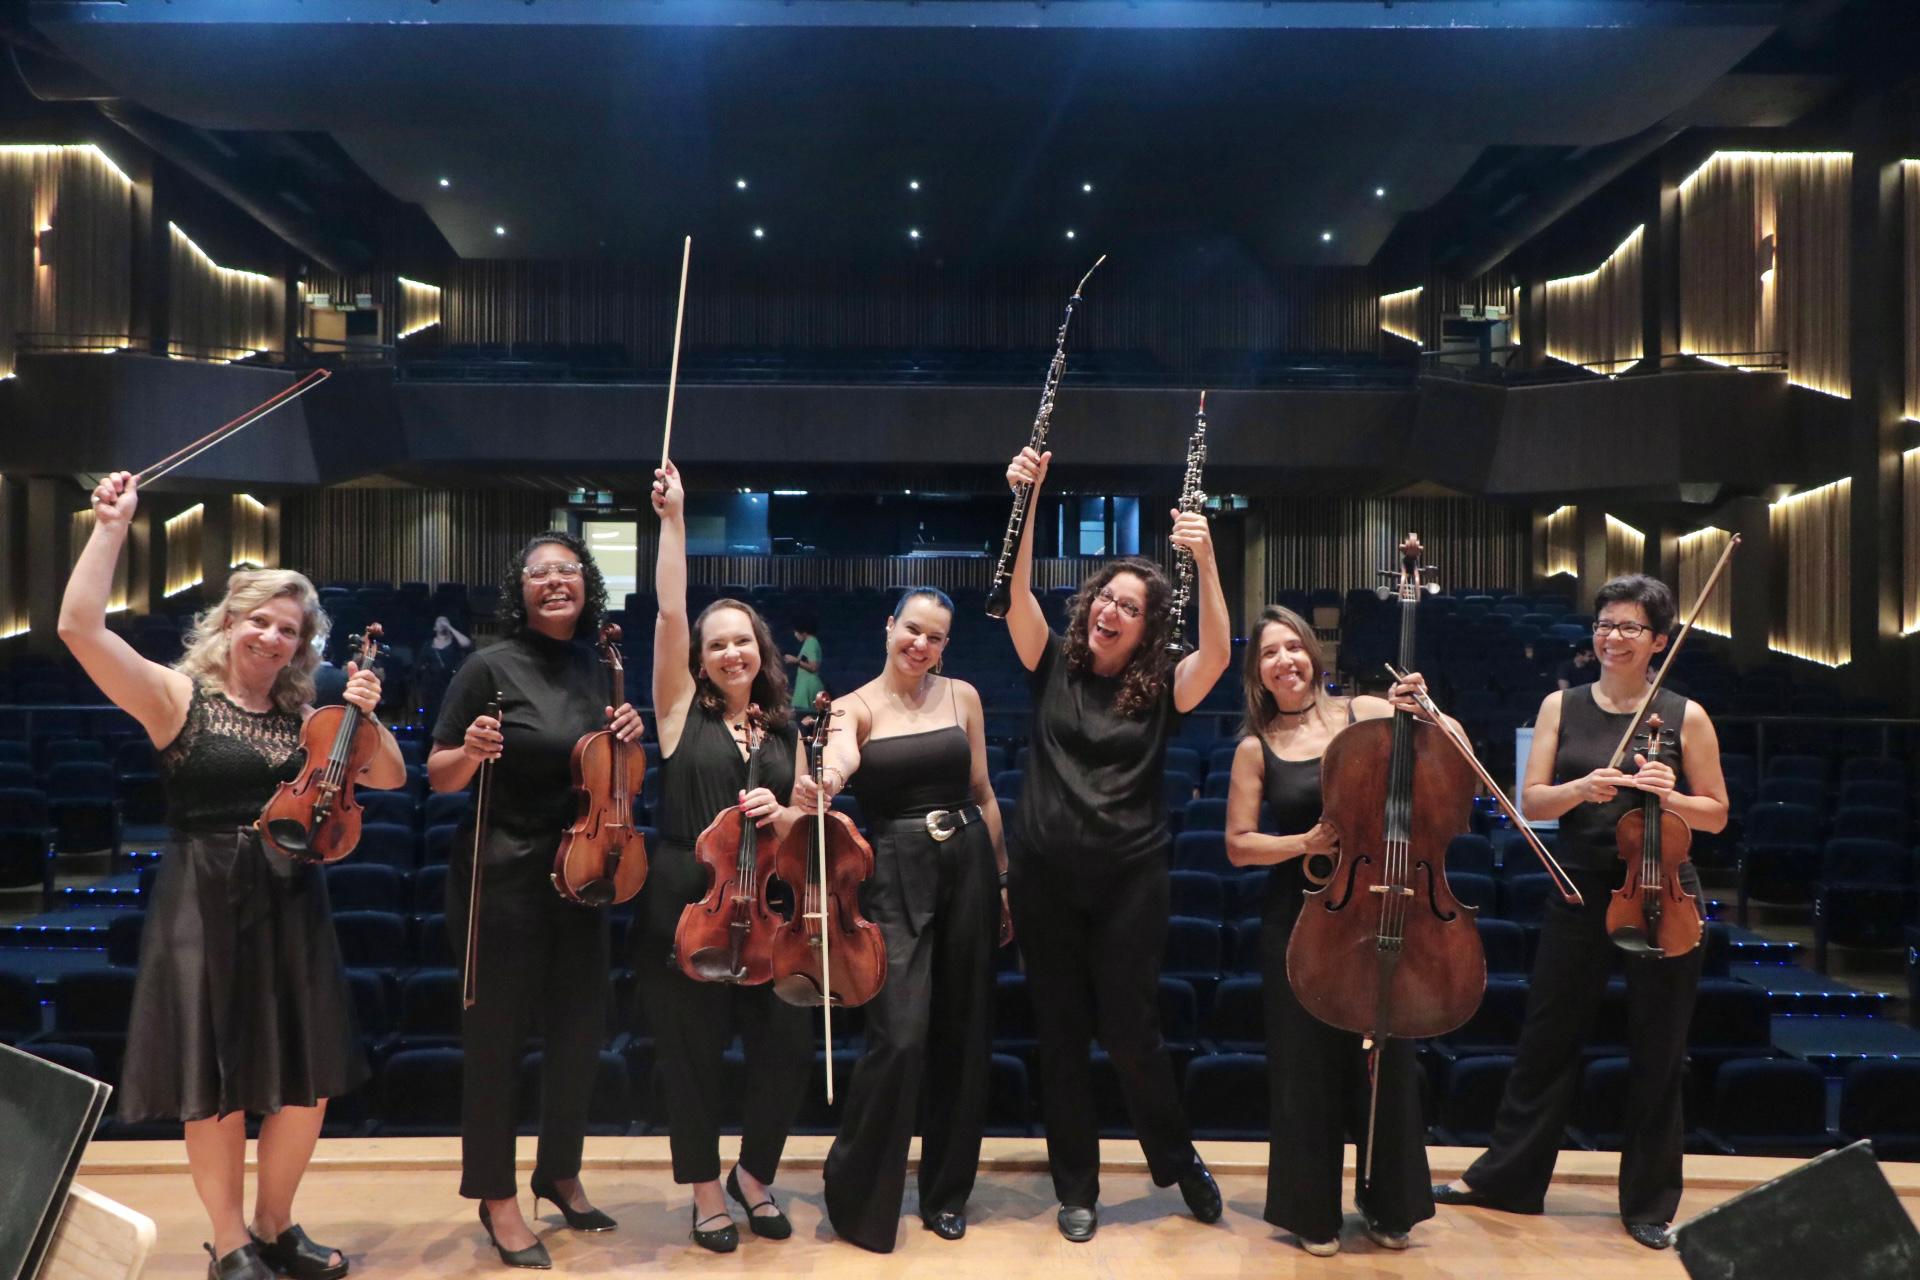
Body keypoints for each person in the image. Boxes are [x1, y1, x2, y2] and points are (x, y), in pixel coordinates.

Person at [59, 472, 405, 1280]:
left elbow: (384, 778)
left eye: (290, 630)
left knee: (308, 1080)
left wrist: (366, 711)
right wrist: (111, 528)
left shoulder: (307, 719)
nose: (273, 638)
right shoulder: (174, 697)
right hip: (202, 893)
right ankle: (229, 1241)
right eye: (259, 620)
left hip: (292, 893)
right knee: (211, 1081)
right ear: (226, 625)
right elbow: (78, 628)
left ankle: (276, 1225)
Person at [1434, 575, 1729, 1251]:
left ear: (1659, 641)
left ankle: (1650, 1204)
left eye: (1629, 627)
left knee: (1660, 1050)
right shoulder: (1560, 706)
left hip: (1663, 892)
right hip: (1578, 890)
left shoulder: (1688, 716)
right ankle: (1509, 1179)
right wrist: (1583, 787)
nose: (1611, 636)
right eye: (1604, 623)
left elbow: (1716, 814)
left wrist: (1671, 794)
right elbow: (1531, 802)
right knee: (1546, 1041)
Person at [997, 445, 1232, 1242]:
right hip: (1043, 877)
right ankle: (1077, 1188)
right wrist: (1027, 499)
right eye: (1107, 596)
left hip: (1130, 878)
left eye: (1131, 606)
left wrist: (1205, 556)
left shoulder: (1164, 684)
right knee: (1060, 1034)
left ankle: (1175, 1159)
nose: (1112, 609)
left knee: (1132, 1031)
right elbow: (1018, 589)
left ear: (1147, 626)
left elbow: (1222, 655)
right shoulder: (1048, 663)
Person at [428, 531, 643, 1268]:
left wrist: (631, 734)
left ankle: (558, 1173)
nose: (555, 582)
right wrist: (475, 751)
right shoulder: (487, 667)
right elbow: (440, 773)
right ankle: (496, 1198)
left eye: (569, 570)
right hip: (503, 873)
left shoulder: (601, 666)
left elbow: (612, 772)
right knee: (496, 1042)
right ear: (518, 589)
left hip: (583, 869)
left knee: (580, 1034)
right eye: (539, 572)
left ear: (589, 585)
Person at [1226, 605, 1455, 1257]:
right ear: (1257, 672)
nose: (1284, 661)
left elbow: (1451, 744)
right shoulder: (1256, 746)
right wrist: (1304, 842)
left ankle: (1393, 1205)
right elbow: (1239, 846)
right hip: (1297, 915)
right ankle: (1311, 1211)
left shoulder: (1364, 713)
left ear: (1313, 655)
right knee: (1304, 1064)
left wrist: (1425, 710)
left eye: (1292, 647)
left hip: (1379, 903)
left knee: (1388, 1058)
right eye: (1269, 653)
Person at [796, 587, 1013, 1251]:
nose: (921, 645)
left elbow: (982, 791)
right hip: (896, 866)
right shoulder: (855, 707)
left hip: (971, 859)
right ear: (889, 626)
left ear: (948, 644)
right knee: (902, 1035)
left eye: (936, 637)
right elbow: (838, 759)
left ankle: (948, 1192)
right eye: (911, 630)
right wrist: (822, 783)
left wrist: (1002, 881)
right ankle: (857, 1189)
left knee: (964, 1032)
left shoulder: (963, 696)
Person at [637, 460, 811, 1253]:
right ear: (701, 659)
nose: (731, 653)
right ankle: (707, 1189)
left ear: (759, 649)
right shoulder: (677, 711)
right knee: (693, 1053)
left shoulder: (784, 727)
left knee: (785, 1044)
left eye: (743, 641)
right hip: (691, 901)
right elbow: (671, 611)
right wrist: (675, 521)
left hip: (769, 910)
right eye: (718, 644)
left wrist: (789, 808)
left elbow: (809, 811)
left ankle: (754, 1174)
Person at [414, 615, 472, 729]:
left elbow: (466, 644)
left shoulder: (455, 643)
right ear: (435, 628)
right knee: (432, 715)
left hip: (451, 684)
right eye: (439, 621)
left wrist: (450, 628)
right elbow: (419, 666)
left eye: (444, 620)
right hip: (432, 687)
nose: (442, 623)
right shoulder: (429, 645)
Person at [783, 614, 824, 712]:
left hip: (808, 686)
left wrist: (796, 661)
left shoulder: (811, 642)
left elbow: (814, 667)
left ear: (803, 632)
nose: (795, 635)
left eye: (796, 632)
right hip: (805, 684)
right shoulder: (810, 642)